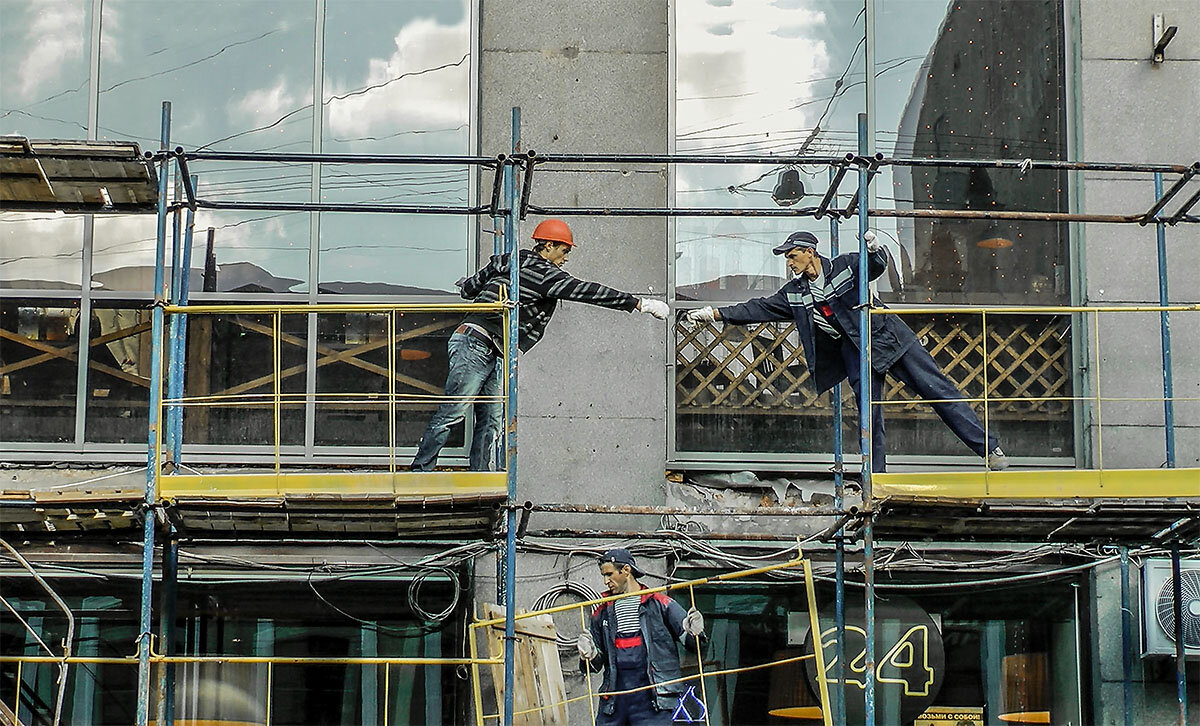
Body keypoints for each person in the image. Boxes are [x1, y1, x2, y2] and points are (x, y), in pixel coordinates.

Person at [683, 230, 1007, 472]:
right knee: (869, 416)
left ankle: (989, 450)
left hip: (889, 337)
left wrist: (876, 249)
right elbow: (759, 308)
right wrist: (715, 313)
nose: (789, 261)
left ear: (810, 252)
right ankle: (875, 477)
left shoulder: (845, 266)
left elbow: (875, 267)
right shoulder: (795, 293)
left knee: (938, 390)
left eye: (792, 255)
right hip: (856, 352)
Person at [411, 219, 669, 471]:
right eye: (564, 250)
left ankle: (480, 473)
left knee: (491, 418)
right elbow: (587, 291)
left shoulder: (509, 261)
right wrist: (639, 304)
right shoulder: (546, 275)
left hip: (488, 345)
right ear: (547, 245)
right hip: (476, 342)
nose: (566, 258)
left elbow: (469, 289)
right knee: (454, 411)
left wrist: (471, 286)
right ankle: (420, 472)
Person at [577, 548, 706, 725]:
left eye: (609, 574)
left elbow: (696, 646)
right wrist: (589, 655)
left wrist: (695, 632)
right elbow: (592, 667)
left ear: (626, 571)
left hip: (653, 699)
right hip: (615, 699)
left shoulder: (660, 604)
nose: (606, 581)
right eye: (603, 576)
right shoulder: (602, 612)